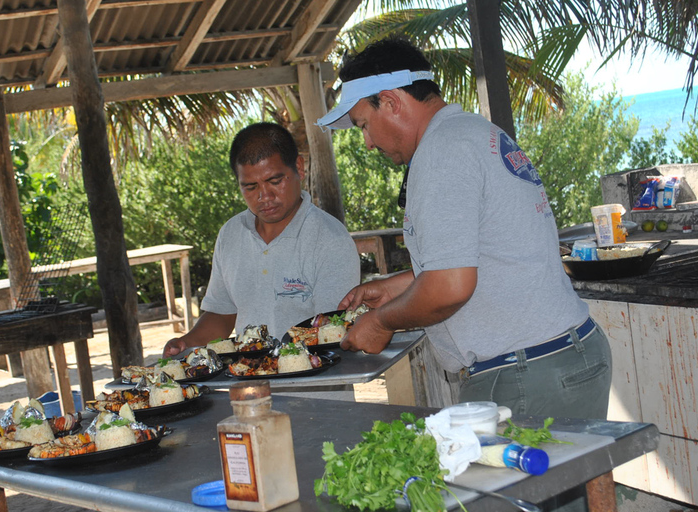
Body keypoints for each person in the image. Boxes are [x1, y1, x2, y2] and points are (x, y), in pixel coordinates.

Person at [317, 37, 612, 421]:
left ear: (390, 102)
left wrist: (382, 320)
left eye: (363, 126)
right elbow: (485, 258)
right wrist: (396, 287)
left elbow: (450, 286)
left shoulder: (439, 153)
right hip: (569, 353)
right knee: (576, 481)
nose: (368, 143)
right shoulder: (474, 132)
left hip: (523, 373)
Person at [163, 122, 361, 358]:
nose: (264, 196)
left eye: (275, 181)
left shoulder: (330, 239)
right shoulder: (230, 235)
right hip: (249, 388)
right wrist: (186, 343)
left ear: (299, 167)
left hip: (319, 389)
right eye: (250, 187)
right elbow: (223, 315)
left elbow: (332, 331)